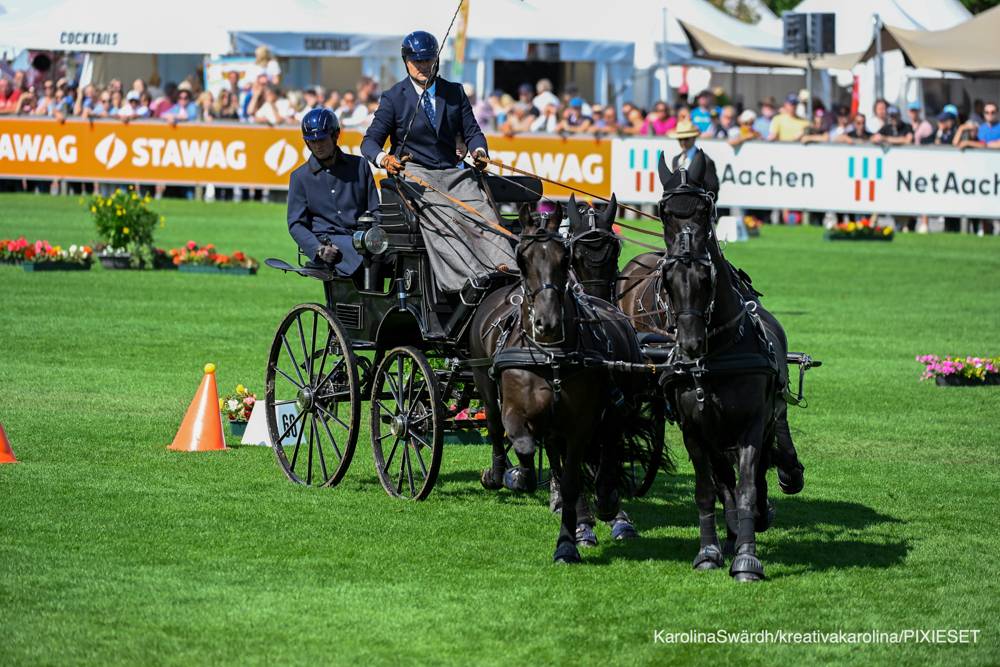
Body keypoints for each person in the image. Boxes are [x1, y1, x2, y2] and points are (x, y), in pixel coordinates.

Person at [360, 30, 516, 294]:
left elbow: (473, 132)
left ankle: (507, 273)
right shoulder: (394, 97)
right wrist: (384, 158)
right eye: (417, 61)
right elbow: (369, 142)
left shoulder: (454, 92)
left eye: (428, 60)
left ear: (437, 60)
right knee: (445, 217)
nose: (423, 66)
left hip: (453, 172)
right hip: (416, 175)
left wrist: (478, 151)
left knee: (484, 214)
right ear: (406, 61)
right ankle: (471, 281)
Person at [287, 108, 380, 276]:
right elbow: (296, 224)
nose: (317, 146)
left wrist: (376, 236)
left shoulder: (360, 166)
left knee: (400, 253)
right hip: (330, 244)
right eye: (312, 141)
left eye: (322, 139)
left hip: (363, 238)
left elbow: (375, 210)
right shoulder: (299, 177)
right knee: (368, 257)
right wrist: (317, 248)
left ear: (336, 135)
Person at [668, 119, 718, 197]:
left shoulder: (705, 161)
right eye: (680, 139)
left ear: (694, 138)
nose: (683, 142)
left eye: (686, 138)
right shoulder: (676, 159)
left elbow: (712, 190)